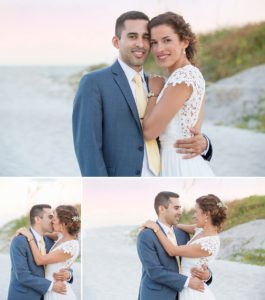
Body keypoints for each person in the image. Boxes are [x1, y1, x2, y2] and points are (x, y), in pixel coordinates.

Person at [72, 11, 212, 177]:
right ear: (116, 42)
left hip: (167, 174)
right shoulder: (94, 82)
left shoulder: (162, 84)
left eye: (146, 38)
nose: (141, 44)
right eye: (132, 36)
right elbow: (88, 149)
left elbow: (184, 127)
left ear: (184, 42)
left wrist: (205, 144)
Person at [143, 12, 214, 176]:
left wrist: (154, 92)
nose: (159, 49)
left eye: (167, 40)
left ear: (184, 42)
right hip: (179, 159)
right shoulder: (188, 75)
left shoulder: (183, 78)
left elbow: (149, 132)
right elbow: (193, 129)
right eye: (154, 42)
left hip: (179, 162)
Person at [142, 194, 227, 300]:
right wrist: (161, 225)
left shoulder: (210, 242)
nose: (193, 216)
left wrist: (156, 229)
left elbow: (172, 251)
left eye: (196, 212)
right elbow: (176, 226)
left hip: (193, 292)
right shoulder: (199, 230)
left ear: (207, 214)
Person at [9, 205, 80, 300]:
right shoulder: (20, 241)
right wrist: (51, 285)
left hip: (54, 294)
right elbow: (22, 275)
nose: (52, 220)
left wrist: (68, 274)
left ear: (63, 223)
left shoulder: (51, 241)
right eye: (50, 217)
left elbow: (61, 263)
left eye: (54, 217)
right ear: (38, 219)